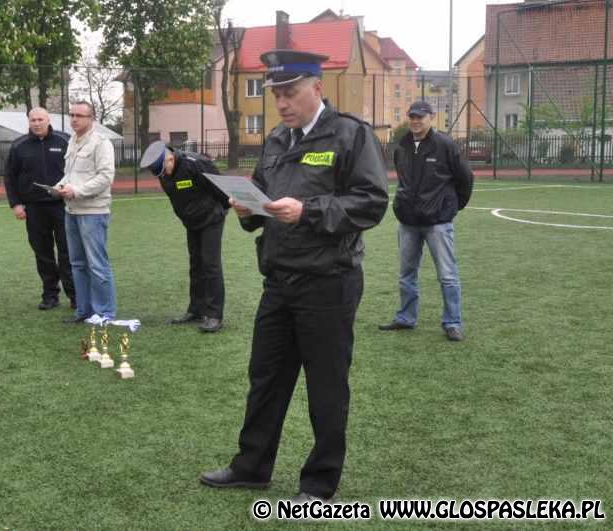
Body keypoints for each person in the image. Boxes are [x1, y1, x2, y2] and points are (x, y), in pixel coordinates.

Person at [199, 50, 388, 502]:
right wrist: (248, 209)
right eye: (276, 95)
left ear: (317, 88)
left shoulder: (350, 134)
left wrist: (308, 211)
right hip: (279, 280)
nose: (282, 103)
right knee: (265, 379)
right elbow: (264, 200)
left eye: (290, 93)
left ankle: (319, 483)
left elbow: (371, 202)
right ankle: (251, 467)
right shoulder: (276, 140)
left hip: (328, 282)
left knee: (326, 386)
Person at [378, 100, 473, 342]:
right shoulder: (402, 146)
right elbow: (403, 180)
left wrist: (452, 207)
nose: (415, 121)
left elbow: (465, 178)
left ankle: (452, 323)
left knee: (447, 275)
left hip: (437, 222)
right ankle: (406, 318)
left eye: (420, 116)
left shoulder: (445, 145)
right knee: (406, 274)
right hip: (408, 222)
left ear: (431, 117)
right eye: (412, 116)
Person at [139, 141, 229, 333]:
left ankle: (214, 315)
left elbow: (220, 188)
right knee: (196, 264)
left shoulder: (195, 164)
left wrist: (222, 209)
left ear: (170, 158)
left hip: (211, 217)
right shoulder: (163, 172)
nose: (164, 175)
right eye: (160, 173)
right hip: (191, 222)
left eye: (164, 170)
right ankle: (196, 310)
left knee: (210, 264)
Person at [4, 107, 76, 311]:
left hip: (62, 206)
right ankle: (50, 295)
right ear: (28, 122)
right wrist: (16, 204)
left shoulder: (64, 141)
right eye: (33, 120)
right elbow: (10, 177)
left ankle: (75, 295)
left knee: (67, 252)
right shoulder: (19, 146)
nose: (36, 123)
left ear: (48, 120)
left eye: (40, 119)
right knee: (42, 253)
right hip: (34, 208)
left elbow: (75, 169)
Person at [56, 101, 117, 322]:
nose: (74, 119)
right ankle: (84, 311)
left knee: (97, 265)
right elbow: (70, 174)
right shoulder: (72, 140)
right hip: (72, 211)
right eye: (71, 114)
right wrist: (60, 186)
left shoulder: (101, 143)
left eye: (79, 115)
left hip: (93, 211)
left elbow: (105, 177)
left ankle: (105, 313)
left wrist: (77, 191)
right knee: (77, 264)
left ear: (91, 119)